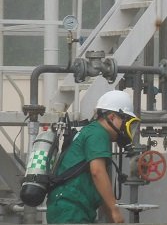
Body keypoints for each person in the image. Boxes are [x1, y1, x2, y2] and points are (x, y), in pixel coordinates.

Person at [46, 90, 140, 224]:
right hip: (71, 210)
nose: (126, 128)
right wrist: (115, 210)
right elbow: (97, 172)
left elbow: (100, 184)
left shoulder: (92, 131)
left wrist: (112, 216)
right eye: (125, 122)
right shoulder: (98, 133)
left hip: (70, 208)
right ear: (112, 117)